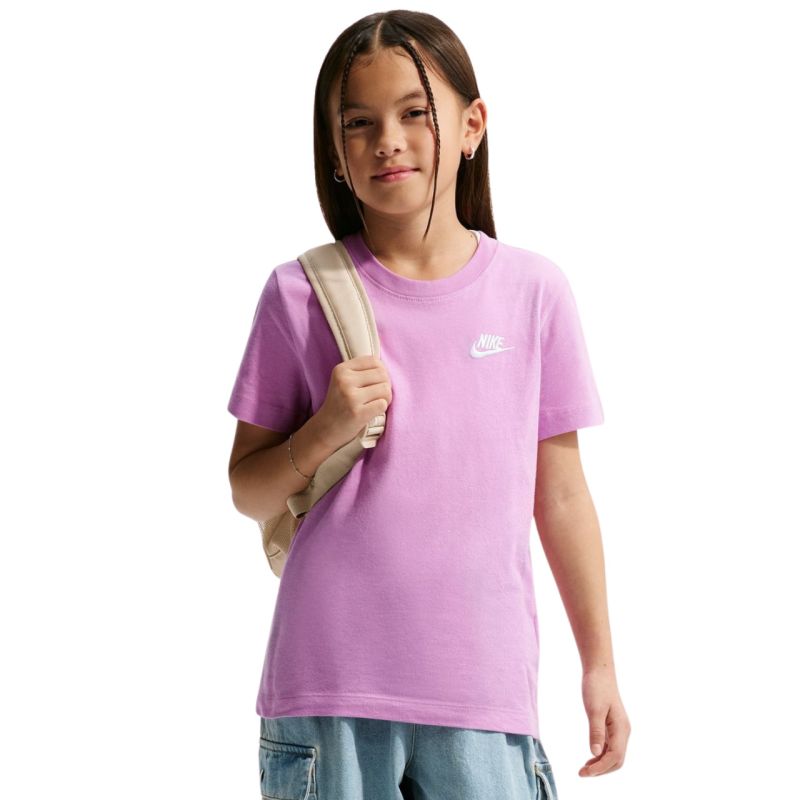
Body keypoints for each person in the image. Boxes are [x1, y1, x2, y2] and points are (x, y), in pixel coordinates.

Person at [227, 10, 630, 799]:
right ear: (335, 151)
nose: (388, 140)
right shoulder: (298, 293)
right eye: (359, 122)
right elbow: (249, 490)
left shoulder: (534, 291)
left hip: (484, 691)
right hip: (328, 687)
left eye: (415, 112)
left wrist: (600, 664)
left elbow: (561, 495)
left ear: (472, 125)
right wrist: (325, 430)